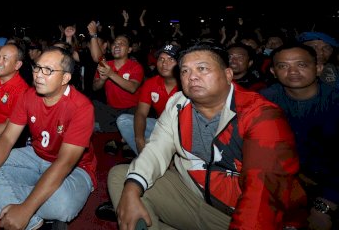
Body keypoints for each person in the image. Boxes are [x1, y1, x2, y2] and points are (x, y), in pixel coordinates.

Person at [107, 43, 303, 229]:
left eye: (202, 69)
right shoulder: (178, 103)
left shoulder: (260, 116)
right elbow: (157, 149)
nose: (192, 76)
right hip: (193, 196)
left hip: (234, 214)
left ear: (227, 75)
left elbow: (260, 199)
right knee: (123, 177)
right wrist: (132, 189)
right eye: (185, 71)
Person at [0, 47, 96, 229]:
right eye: (37, 68)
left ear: (65, 78)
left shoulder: (81, 107)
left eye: (48, 70)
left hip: (77, 169)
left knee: (64, 205)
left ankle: (17, 197)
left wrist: (27, 208)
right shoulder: (28, 96)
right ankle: (34, 222)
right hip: (36, 156)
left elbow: (64, 163)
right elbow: (7, 138)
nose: (38, 74)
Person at [260, 43, 339, 229]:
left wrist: (326, 204)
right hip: (287, 182)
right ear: (273, 71)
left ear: (318, 68)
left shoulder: (334, 102)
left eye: (301, 65)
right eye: (283, 66)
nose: (293, 71)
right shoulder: (263, 101)